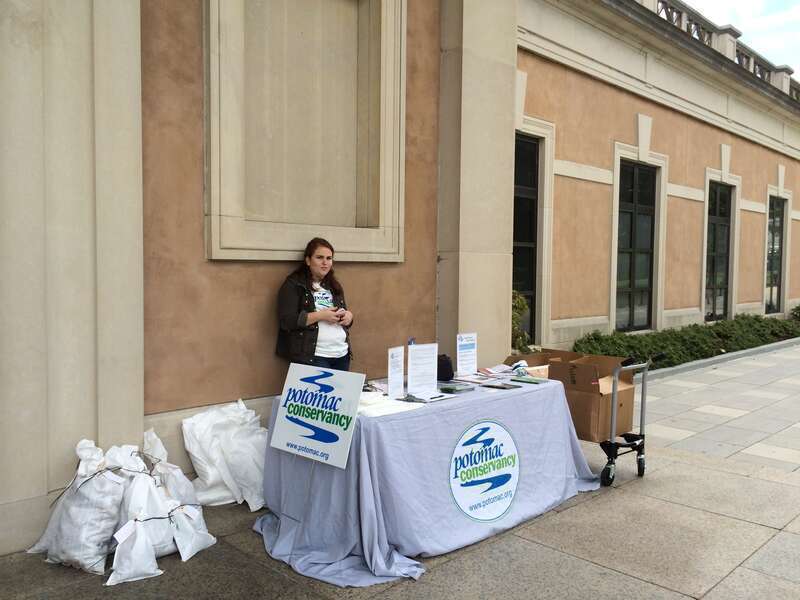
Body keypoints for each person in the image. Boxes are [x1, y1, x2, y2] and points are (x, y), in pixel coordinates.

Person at [276, 238, 354, 370]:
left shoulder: (334, 285)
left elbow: (343, 314)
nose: (325, 262)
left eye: (329, 258)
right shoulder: (294, 284)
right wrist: (321, 316)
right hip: (314, 356)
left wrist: (349, 317)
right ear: (308, 260)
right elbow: (287, 321)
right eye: (319, 257)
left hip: (341, 354)